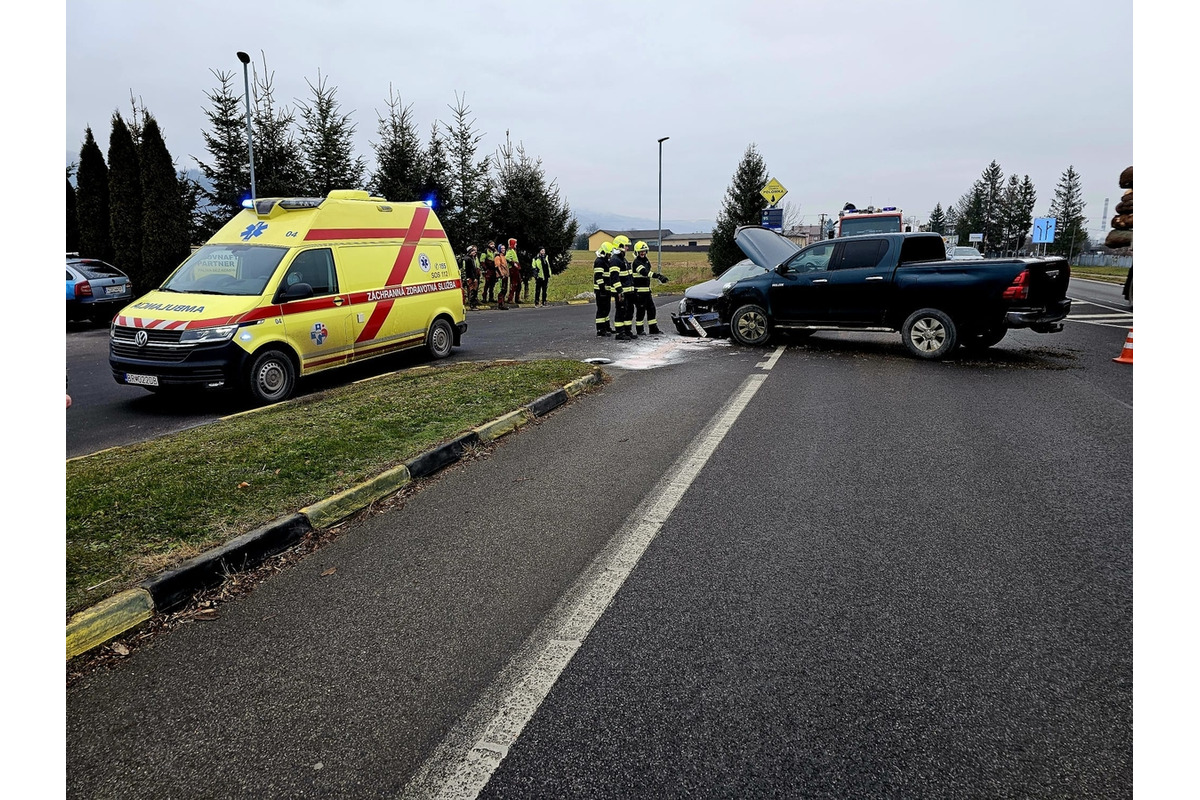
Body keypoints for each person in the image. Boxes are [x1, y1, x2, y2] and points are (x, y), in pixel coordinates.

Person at [630, 241, 663, 335]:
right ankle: (640, 330)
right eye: (641, 251)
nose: (643, 253)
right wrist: (658, 276)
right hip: (639, 292)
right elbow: (645, 272)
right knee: (640, 311)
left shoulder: (646, 260)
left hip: (646, 291)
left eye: (644, 251)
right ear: (636, 252)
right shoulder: (636, 262)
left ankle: (653, 329)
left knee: (651, 309)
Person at [608, 235, 635, 340]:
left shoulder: (622, 259)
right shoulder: (615, 260)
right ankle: (620, 333)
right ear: (620, 246)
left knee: (629, 311)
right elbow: (614, 278)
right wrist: (620, 291)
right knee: (621, 311)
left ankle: (627, 331)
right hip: (621, 292)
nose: (627, 248)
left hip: (627, 291)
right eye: (626, 246)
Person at [592, 242, 614, 336]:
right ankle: (600, 330)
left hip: (606, 289)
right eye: (608, 254)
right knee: (601, 310)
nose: (609, 256)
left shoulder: (605, 261)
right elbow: (598, 276)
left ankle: (606, 327)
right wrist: (602, 289)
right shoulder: (599, 261)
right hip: (601, 290)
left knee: (606, 309)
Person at [461, 245, 480, 310]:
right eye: (473, 251)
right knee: (472, 291)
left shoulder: (469, 258)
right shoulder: (468, 259)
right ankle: (472, 305)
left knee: (472, 291)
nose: (475, 252)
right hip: (470, 277)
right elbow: (469, 270)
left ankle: (472, 304)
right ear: (470, 252)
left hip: (470, 276)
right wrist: (473, 278)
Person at [506, 237, 522, 306]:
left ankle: (517, 298)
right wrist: (513, 263)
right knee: (514, 284)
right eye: (515, 243)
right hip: (513, 269)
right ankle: (510, 298)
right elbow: (507, 257)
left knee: (519, 284)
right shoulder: (510, 251)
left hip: (516, 268)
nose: (516, 244)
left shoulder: (514, 251)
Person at [494, 244, 510, 309]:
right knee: (502, 289)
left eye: (504, 248)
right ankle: (500, 303)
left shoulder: (504, 256)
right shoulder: (498, 257)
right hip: (501, 275)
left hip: (505, 274)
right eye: (502, 248)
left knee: (505, 289)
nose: (503, 249)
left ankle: (502, 303)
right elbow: (497, 266)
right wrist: (501, 274)